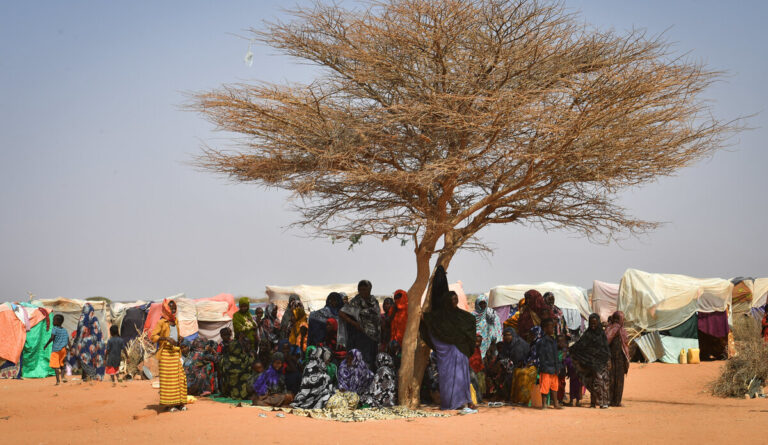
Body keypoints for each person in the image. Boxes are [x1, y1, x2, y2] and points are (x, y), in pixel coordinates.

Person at [421, 266, 477, 414]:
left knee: (462, 377)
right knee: (448, 378)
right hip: (447, 354)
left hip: (461, 352)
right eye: (452, 299)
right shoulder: (439, 317)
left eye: (456, 299)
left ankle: (464, 400)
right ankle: (452, 402)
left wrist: (461, 342)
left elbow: (469, 326)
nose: (454, 302)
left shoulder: (464, 317)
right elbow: (431, 326)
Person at [150, 299, 187, 412]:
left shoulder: (175, 321)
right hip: (166, 354)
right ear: (166, 308)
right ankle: (170, 405)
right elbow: (153, 336)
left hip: (176, 353)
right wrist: (165, 338)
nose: (174, 309)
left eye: (175, 307)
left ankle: (180, 403)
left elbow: (176, 334)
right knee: (169, 380)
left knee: (180, 378)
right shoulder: (162, 322)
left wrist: (180, 338)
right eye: (171, 307)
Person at [570, 313, 611, 409]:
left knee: (602, 383)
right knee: (593, 383)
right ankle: (593, 403)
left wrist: (609, 360)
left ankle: (603, 403)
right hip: (590, 363)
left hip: (601, 363)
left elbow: (606, 349)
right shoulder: (587, 334)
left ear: (598, 323)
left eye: (595, 323)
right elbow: (579, 345)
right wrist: (570, 350)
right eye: (591, 324)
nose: (593, 326)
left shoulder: (602, 334)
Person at [339, 280, 381, 367]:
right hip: (359, 337)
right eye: (360, 289)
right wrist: (354, 323)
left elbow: (377, 317)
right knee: (360, 360)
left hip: (372, 337)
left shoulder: (374, 301)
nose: (362, 292)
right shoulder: (355, 302)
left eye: (365, 289)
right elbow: (341, 313)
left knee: (371, 360)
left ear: (370, 289)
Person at [69, 303, 106, 381]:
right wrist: (100, 343)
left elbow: (79, 333)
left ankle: (85, 377)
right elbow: (98, 332)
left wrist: (75, 344)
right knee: (92, 359)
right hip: (94, 343)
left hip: (82, 344)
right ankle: (92, 376)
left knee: (84, 360)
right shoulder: (94, 319)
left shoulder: (81, 319)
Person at [498, 327, 530, 403]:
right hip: (511, 365)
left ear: (513, 335)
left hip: (522, 365)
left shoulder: (519, 344)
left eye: (509, 335)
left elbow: (518, 359)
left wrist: (504, 364)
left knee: (509, 376)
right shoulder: (506, 345)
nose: (507, 337)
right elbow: (502, 356)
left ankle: (510, 397)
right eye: (505, 335)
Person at [220, 333, 256, 400]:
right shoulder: (247, 357)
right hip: (244, 392)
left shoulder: (224, 358)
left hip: (229, 390)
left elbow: (222, 373)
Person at [536, 319, 563, 409]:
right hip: (546, 368)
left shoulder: (553, 340)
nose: (553, 329)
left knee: (554, 386)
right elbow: (542, 356)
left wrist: (557, 366)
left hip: (554, 368)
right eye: (551, 327)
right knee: (544, 386)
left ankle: (556, 403)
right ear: (545, 329)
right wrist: (544, 367)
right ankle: (544, 404)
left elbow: (556, 355)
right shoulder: (542, 341)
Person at [606, 311, 630, 407]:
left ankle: (616, 401)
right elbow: (606, 340)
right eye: (621, 318)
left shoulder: (620, 329)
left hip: (619, 358)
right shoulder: (614, 328)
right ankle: (613, 401)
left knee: (618, 379)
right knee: (613, 379)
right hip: (613, 358)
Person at [473, 294, 502, 359]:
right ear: (477, 304)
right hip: (478, 343)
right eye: (480, 303)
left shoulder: (491, 314)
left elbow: (497, 327)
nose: (483, 305)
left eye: (484, 303)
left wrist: (496, 338)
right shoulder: (473, 316)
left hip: (491, 342)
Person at [45, 314, 69, 385]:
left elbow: (52, 338)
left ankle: (58, 381)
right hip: (63, 349)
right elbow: (67, 339)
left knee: (55, 366)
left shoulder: (54, 328)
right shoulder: (65, 330)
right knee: (62, 364)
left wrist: (46, 345)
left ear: (57, 322)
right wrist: (70, 348)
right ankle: (63, 377)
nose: (52, 321)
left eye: (53, 320)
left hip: (56, 350)